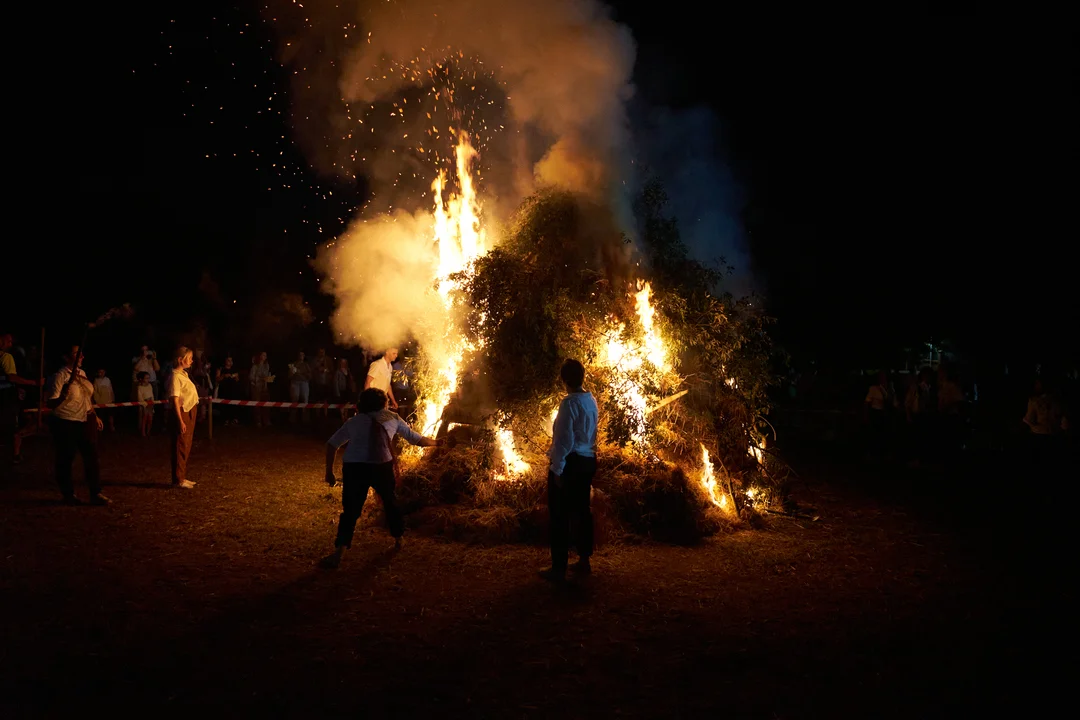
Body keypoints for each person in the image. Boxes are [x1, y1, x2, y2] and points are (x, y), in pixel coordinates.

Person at [321, 387, 440, 568]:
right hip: (381, 468)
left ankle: (339, 551)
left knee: (351, 510)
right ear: (384, 404)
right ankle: (399, 538)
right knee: (390, 503)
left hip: (355, 468)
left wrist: (329, 472)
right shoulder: (391, 417)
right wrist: (437, 443)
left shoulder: (354, 421)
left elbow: (332, 444)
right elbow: (417, 440)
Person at [541, 358, 599, 583]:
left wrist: (557, 469)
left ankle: (558, 568)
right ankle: (584, 560)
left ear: (564, 380)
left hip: (571, 463)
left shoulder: (569, 404)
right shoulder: (590, 400)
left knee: (559, 514)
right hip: (587, 460)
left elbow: (564, 440)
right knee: (582, 511)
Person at [45, 346, 109, 505]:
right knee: (66, 459)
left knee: (91, 458)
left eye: (81, 353)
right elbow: (51, 403)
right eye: (76, 353)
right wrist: (63, 395)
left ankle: (95, 493)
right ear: (66, 357)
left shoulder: (82, 374)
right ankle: (68, 495)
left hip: (84, 420)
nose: (81, 356)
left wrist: (94, 414)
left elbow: (86, 398)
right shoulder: (60, 376)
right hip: (66, 422)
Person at [2, 332, 41, 465]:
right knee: (13, 426)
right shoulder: (6, 357)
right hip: (6, 398)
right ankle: (15, 454)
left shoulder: (27, 362)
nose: (10, 344)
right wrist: (33, 383)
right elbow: (12, 377)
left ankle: (15, 452)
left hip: (15, 394)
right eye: (8, 341)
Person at [167, 346, 200, 489]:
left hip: (189, 411)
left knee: (186, 444)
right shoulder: (175, 376)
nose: (191, 361)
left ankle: (182, 476)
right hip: (183, 412)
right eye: (189, 358)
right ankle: (178, 480)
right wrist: (180, 420)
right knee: (181, 445)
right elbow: (175, 399)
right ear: (180, 360)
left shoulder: (183, 374)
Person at [250, 351, 273, 428]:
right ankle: (258, 421)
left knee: (266, 404)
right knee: (257, 405)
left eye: (265, 355)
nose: (265, 357)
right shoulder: (255, 366)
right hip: (256, 388)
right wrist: (259, 379)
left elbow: (268, 375)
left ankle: (266, 420)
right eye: (263, 355)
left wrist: (269, 379)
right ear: (260, 356)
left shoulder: (267, 366)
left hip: (264, 387)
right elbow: (251, 377)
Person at [215, 356, 240, 425]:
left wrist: (235, 377)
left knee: (233, 404)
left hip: (233, 390)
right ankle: (225, 419)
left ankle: (234, 419)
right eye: (228, 360)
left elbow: (237, 380)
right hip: (224, 390)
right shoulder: (221, 369)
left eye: (231, 360)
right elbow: (217, 379)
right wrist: (223, 376)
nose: (230, 362)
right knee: (224, 404)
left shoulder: (234, 369)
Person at [289, 350, 312, 424]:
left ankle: (305, 419)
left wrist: (300, 373)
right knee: (294, 398)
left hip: (304, 382)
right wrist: (292, 372)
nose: (301, 356)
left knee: (305, 399)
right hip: (295, 382)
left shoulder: (306, 365)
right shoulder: (293, 364)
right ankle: (293, 419)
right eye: (300, 355)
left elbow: (310, 376)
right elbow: (289, 376)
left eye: (302, 355)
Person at [136, 371, 155, 436]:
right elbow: (140, 398)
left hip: (150, 404)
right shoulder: (139, 387)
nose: (148, 380)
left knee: (150, 419)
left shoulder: (149, 385)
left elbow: (152, 395)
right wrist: (145, 404)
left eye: (148, 378)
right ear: (141, 379)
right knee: (144, 419)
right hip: (144, 405)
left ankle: (148, 431)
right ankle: (143, 432)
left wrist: (152, 402)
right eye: (146, 378)